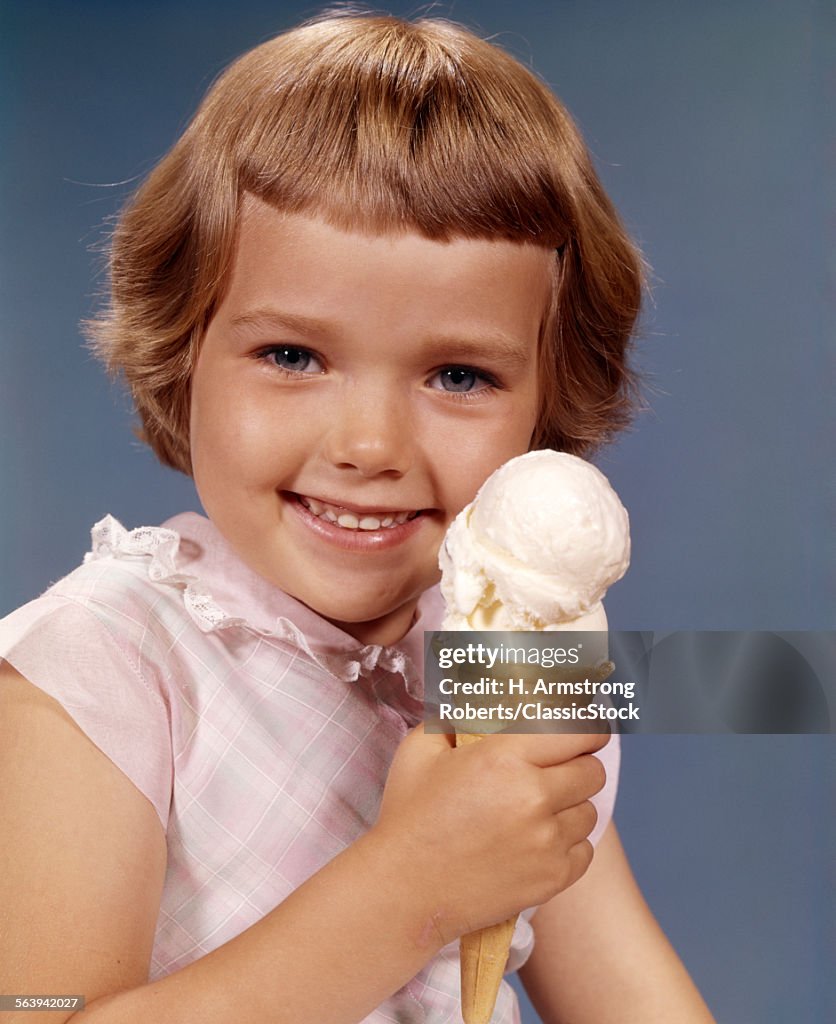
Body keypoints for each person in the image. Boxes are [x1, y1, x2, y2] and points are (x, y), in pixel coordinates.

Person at [0, 12, 715, 1024]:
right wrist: (409, 886)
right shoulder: (97, 668)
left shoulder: (500, 665)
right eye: (291, 356)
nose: (369, 444)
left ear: (548, 407)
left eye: (457, 374)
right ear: (182, 349)